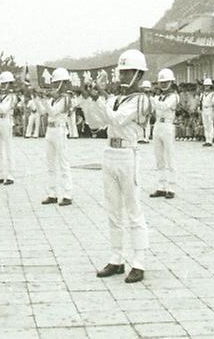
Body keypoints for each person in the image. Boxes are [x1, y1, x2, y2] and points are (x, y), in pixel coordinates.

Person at [79, 49, 152, 284]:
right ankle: (116, 257)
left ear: (139, 74)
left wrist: (101, 98)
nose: (123, 75)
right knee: (113, 209)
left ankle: (139, 261)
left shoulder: (141, 99)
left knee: (133, 209)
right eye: (122, 71)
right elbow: (96, 122)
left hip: (128, 153)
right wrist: (89, 100)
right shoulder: (116, 98)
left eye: (129, 72)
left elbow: (118, 119)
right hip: (110, 152)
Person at [38, 68, 75, 207]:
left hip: (59, 130)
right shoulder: (54, 99)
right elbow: (43, 112)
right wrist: (38, 99)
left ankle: (67, 194)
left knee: (63, 163)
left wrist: (46, 100)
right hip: (50, 130)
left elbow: (53, 112)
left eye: (57, 83)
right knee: (50, 164)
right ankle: (52, 193)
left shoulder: (65, 98)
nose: (54, 86)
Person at [149, 68, 178, 199]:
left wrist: (151, 98)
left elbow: (163, 106)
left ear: (171, 82)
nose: (163, 84)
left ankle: (171, 187)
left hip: (167, 125)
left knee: (170, 157)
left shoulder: (174, 96)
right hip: (158, 126)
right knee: (159, 158)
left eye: (166, 82)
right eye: (161, 82)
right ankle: (161, 186)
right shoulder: (158, 96)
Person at [0, 71, 18, 185]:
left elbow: (4, 109)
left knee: (8, 149)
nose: (2, 86)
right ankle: (0, 174)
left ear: (9, 84)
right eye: (1, 84)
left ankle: (10, 175)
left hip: (7, 120)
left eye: (5, 84)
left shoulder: (12, 97)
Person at [200, 78, 214, 146]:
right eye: (205, 86)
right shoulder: (202, 94)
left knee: (210, 124)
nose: (206, 87)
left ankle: (210, 140)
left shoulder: (212, 94)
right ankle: (207, 139)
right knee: (205, 125)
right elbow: (201, 103)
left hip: (210, 109)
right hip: (204, 109)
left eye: (208, 86)